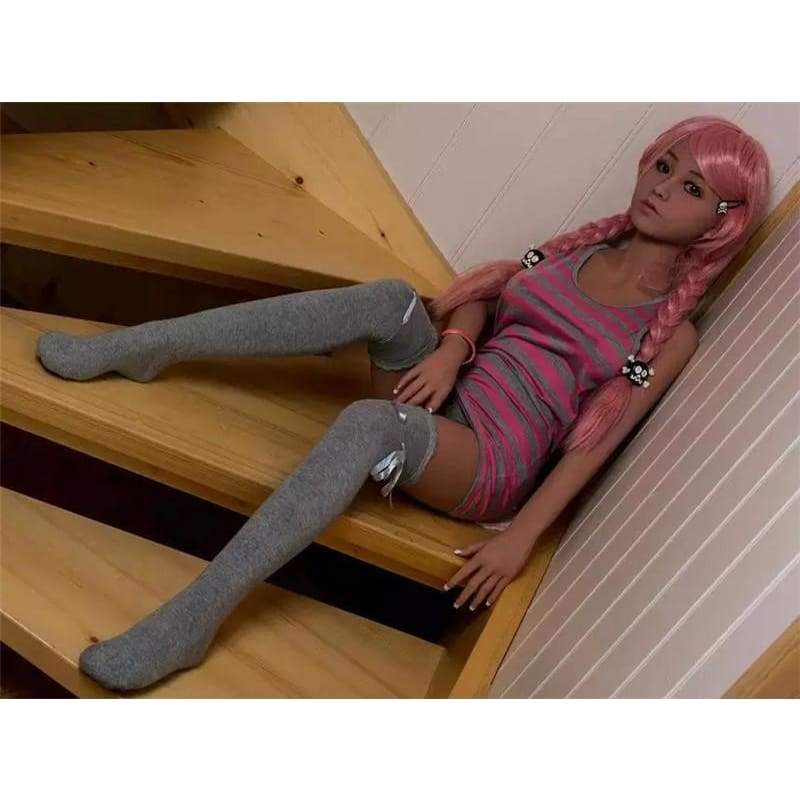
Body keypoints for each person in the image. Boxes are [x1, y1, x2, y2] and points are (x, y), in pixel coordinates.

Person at [35, 114, 770, 691]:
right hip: (450, 387)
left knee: (365, 424)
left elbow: (594, 445)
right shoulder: (584, 248)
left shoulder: (670, 334)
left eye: (691, 188)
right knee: (391, 298)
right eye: (664, 165)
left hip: (489, 459)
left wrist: (520, 540)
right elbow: (489, 296)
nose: (662, 187)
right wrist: (452, 348)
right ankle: (145, 347)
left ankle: (191, 622)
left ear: (722, 221)